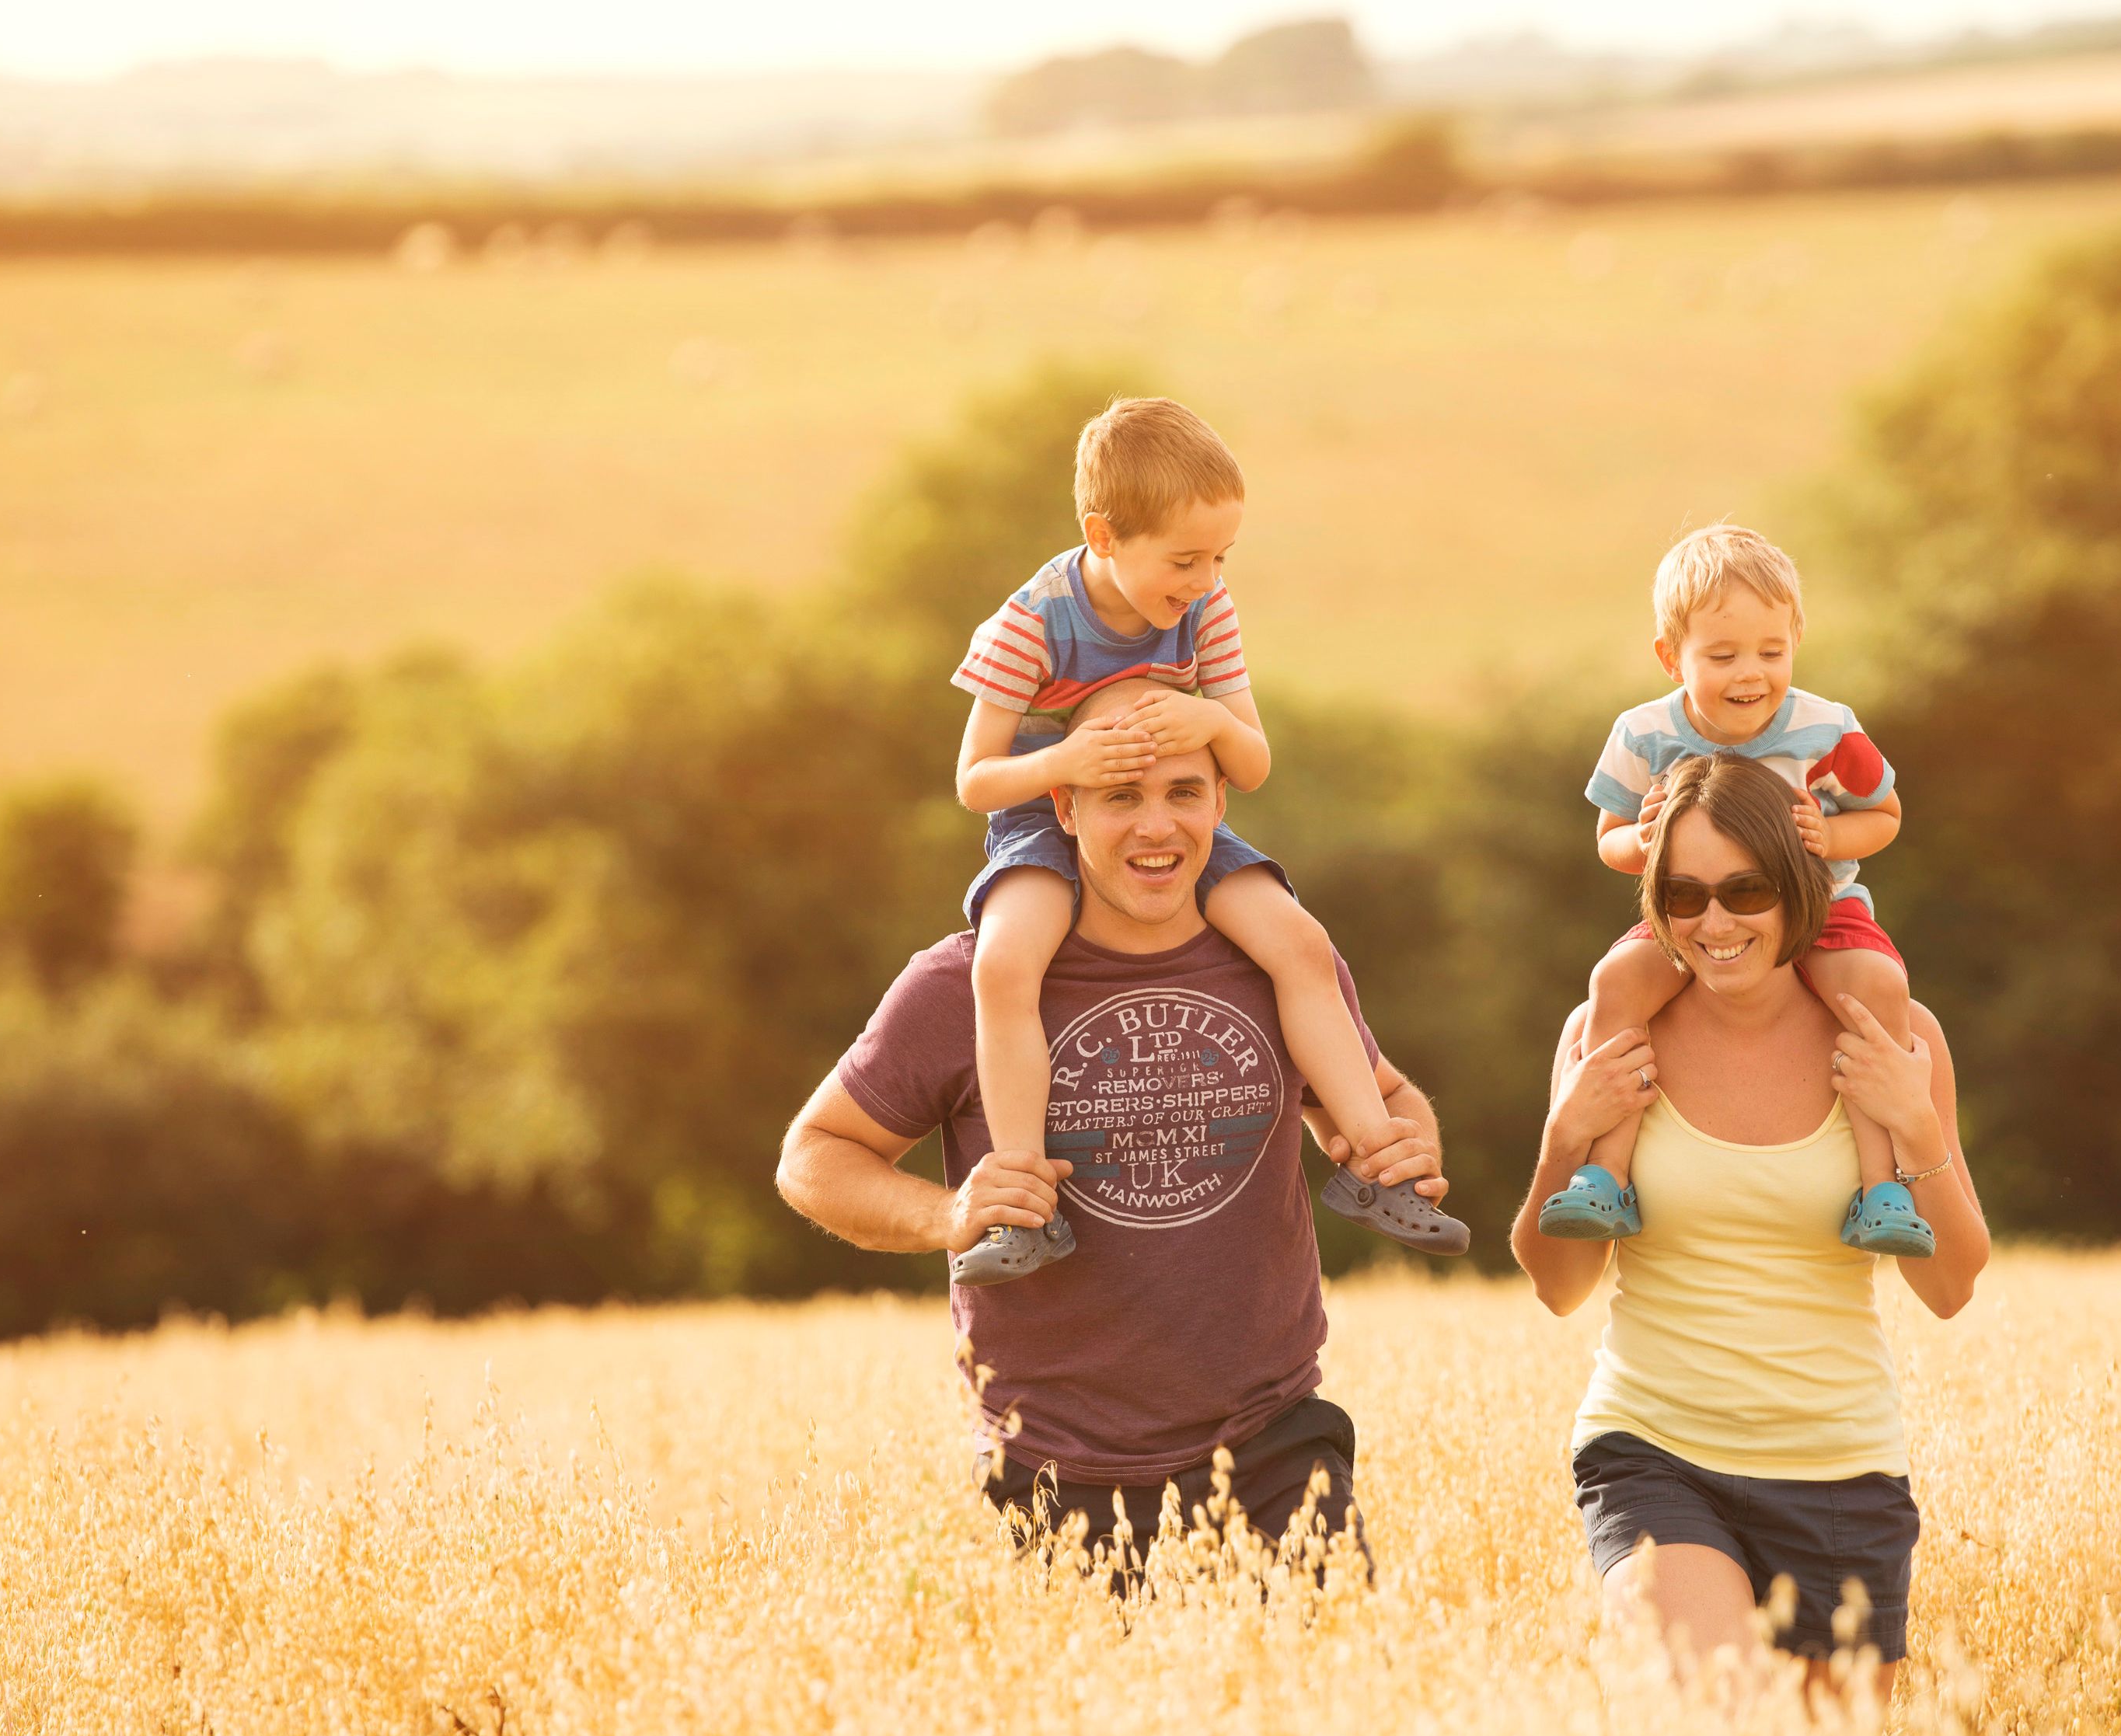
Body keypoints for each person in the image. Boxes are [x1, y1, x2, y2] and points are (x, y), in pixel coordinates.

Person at [779, 675, 1455, 1577]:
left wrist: (1406, 1138)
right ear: (1061, 804)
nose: (1156, 826)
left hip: (1274, 1445)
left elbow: (1386, 1098)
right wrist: (949, 1217)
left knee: (1335, 1707)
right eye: (1120, 796)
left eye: (1183, 792)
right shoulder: (965, 984)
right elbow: (813, 1156)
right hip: (1055, 1466)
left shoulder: (1279, 958)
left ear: (1221, 798)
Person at [945, 395, 1464, 1284]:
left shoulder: (1207, 612)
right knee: (1003, 965)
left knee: (1298, 941)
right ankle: (1026, 1205)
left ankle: (1378, 1165)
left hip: (1180, 804)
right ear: (1103, 536)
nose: (1206, 578)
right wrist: (1069, 757)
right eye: (1185, 559)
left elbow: (1251, 762)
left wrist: (1201, 716)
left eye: (1221, 556)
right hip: (1044, 810)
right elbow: (974, 779)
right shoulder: (1030, 623)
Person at [1509, 751, 1992, 1701]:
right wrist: (1565, 1134)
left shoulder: (1896, 1035)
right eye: (1684, 895)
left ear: (1802, 886)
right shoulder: (1607, 1032)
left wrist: (1918, 1123)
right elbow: (1560, 1284)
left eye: (1746, 890)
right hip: (1653, 1451)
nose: (1714, 923)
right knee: (1711, 1714)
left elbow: (1950, 1287)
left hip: (1842, 1467)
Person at [1535, 525, 1934, 1261]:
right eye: (1722, 656)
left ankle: (1883, 1187)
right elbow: (1608, 839)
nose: (1751, 673)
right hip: (1698, 914)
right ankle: (1605, 1174)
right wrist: (1644, 840)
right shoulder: (1645, 734)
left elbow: (1886, 814)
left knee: (1877, 985)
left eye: (1771, 652)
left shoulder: (1827, 729)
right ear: (1670, 655)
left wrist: (1830, 837)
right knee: (1616, 980)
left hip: (1825, 904)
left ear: (1796, 641)